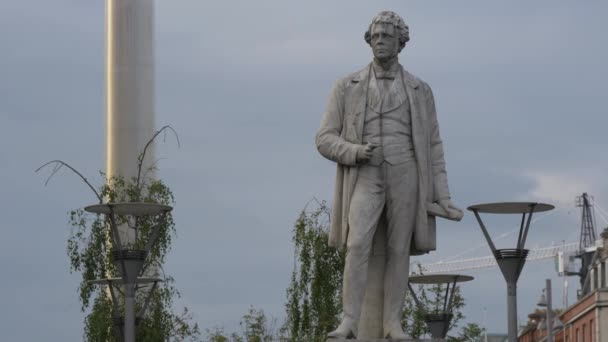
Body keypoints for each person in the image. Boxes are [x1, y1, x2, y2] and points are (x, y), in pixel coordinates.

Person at [315, 11, 462, 339]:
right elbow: (324, 138)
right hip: (365, 172)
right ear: (369, 40)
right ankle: (349, 320)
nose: (380, 41)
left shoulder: (420, 90)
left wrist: (444, 196)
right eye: (376, 36)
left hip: (405, 170)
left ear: (400, 42)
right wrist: (353, 152)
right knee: (356, 245)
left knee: (399, 248)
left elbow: (434, 147)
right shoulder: (346, 85)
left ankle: (392, 323)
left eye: (387, 36)